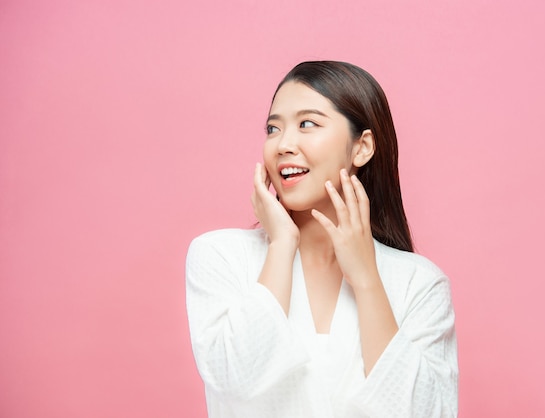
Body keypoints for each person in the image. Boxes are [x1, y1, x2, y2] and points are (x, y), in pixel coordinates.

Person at [186, 61, 458, 417]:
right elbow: (235, 382)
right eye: (273, 128)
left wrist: (366, 280)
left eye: (307, 124)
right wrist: (281, 246)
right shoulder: (220, 256)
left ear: (361, 148)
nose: (283, 144)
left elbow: (424, 413)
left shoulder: (419, 283)